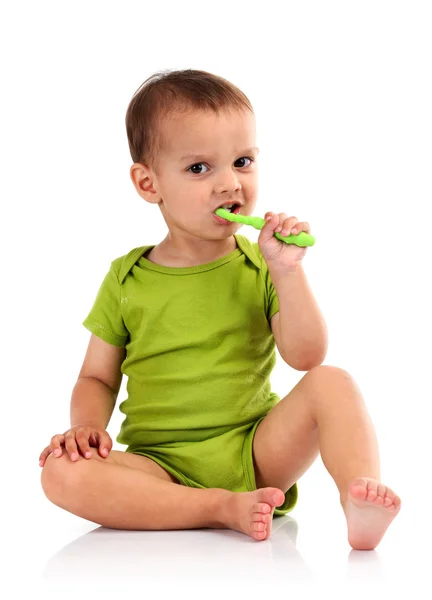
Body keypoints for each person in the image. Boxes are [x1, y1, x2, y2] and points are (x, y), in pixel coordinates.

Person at [39, 68, 401, 549]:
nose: (230, 183)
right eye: (199, 168)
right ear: (149, 184)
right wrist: (86, 428)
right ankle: (215, 507)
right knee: (60, 473)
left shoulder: (262, 267)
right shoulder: (126, 280)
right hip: (157, 465)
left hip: (255, 451)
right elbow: (97, 378)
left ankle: (357, 497)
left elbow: (307, 356)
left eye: (243, 161)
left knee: (332, 381)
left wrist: (288, 273)